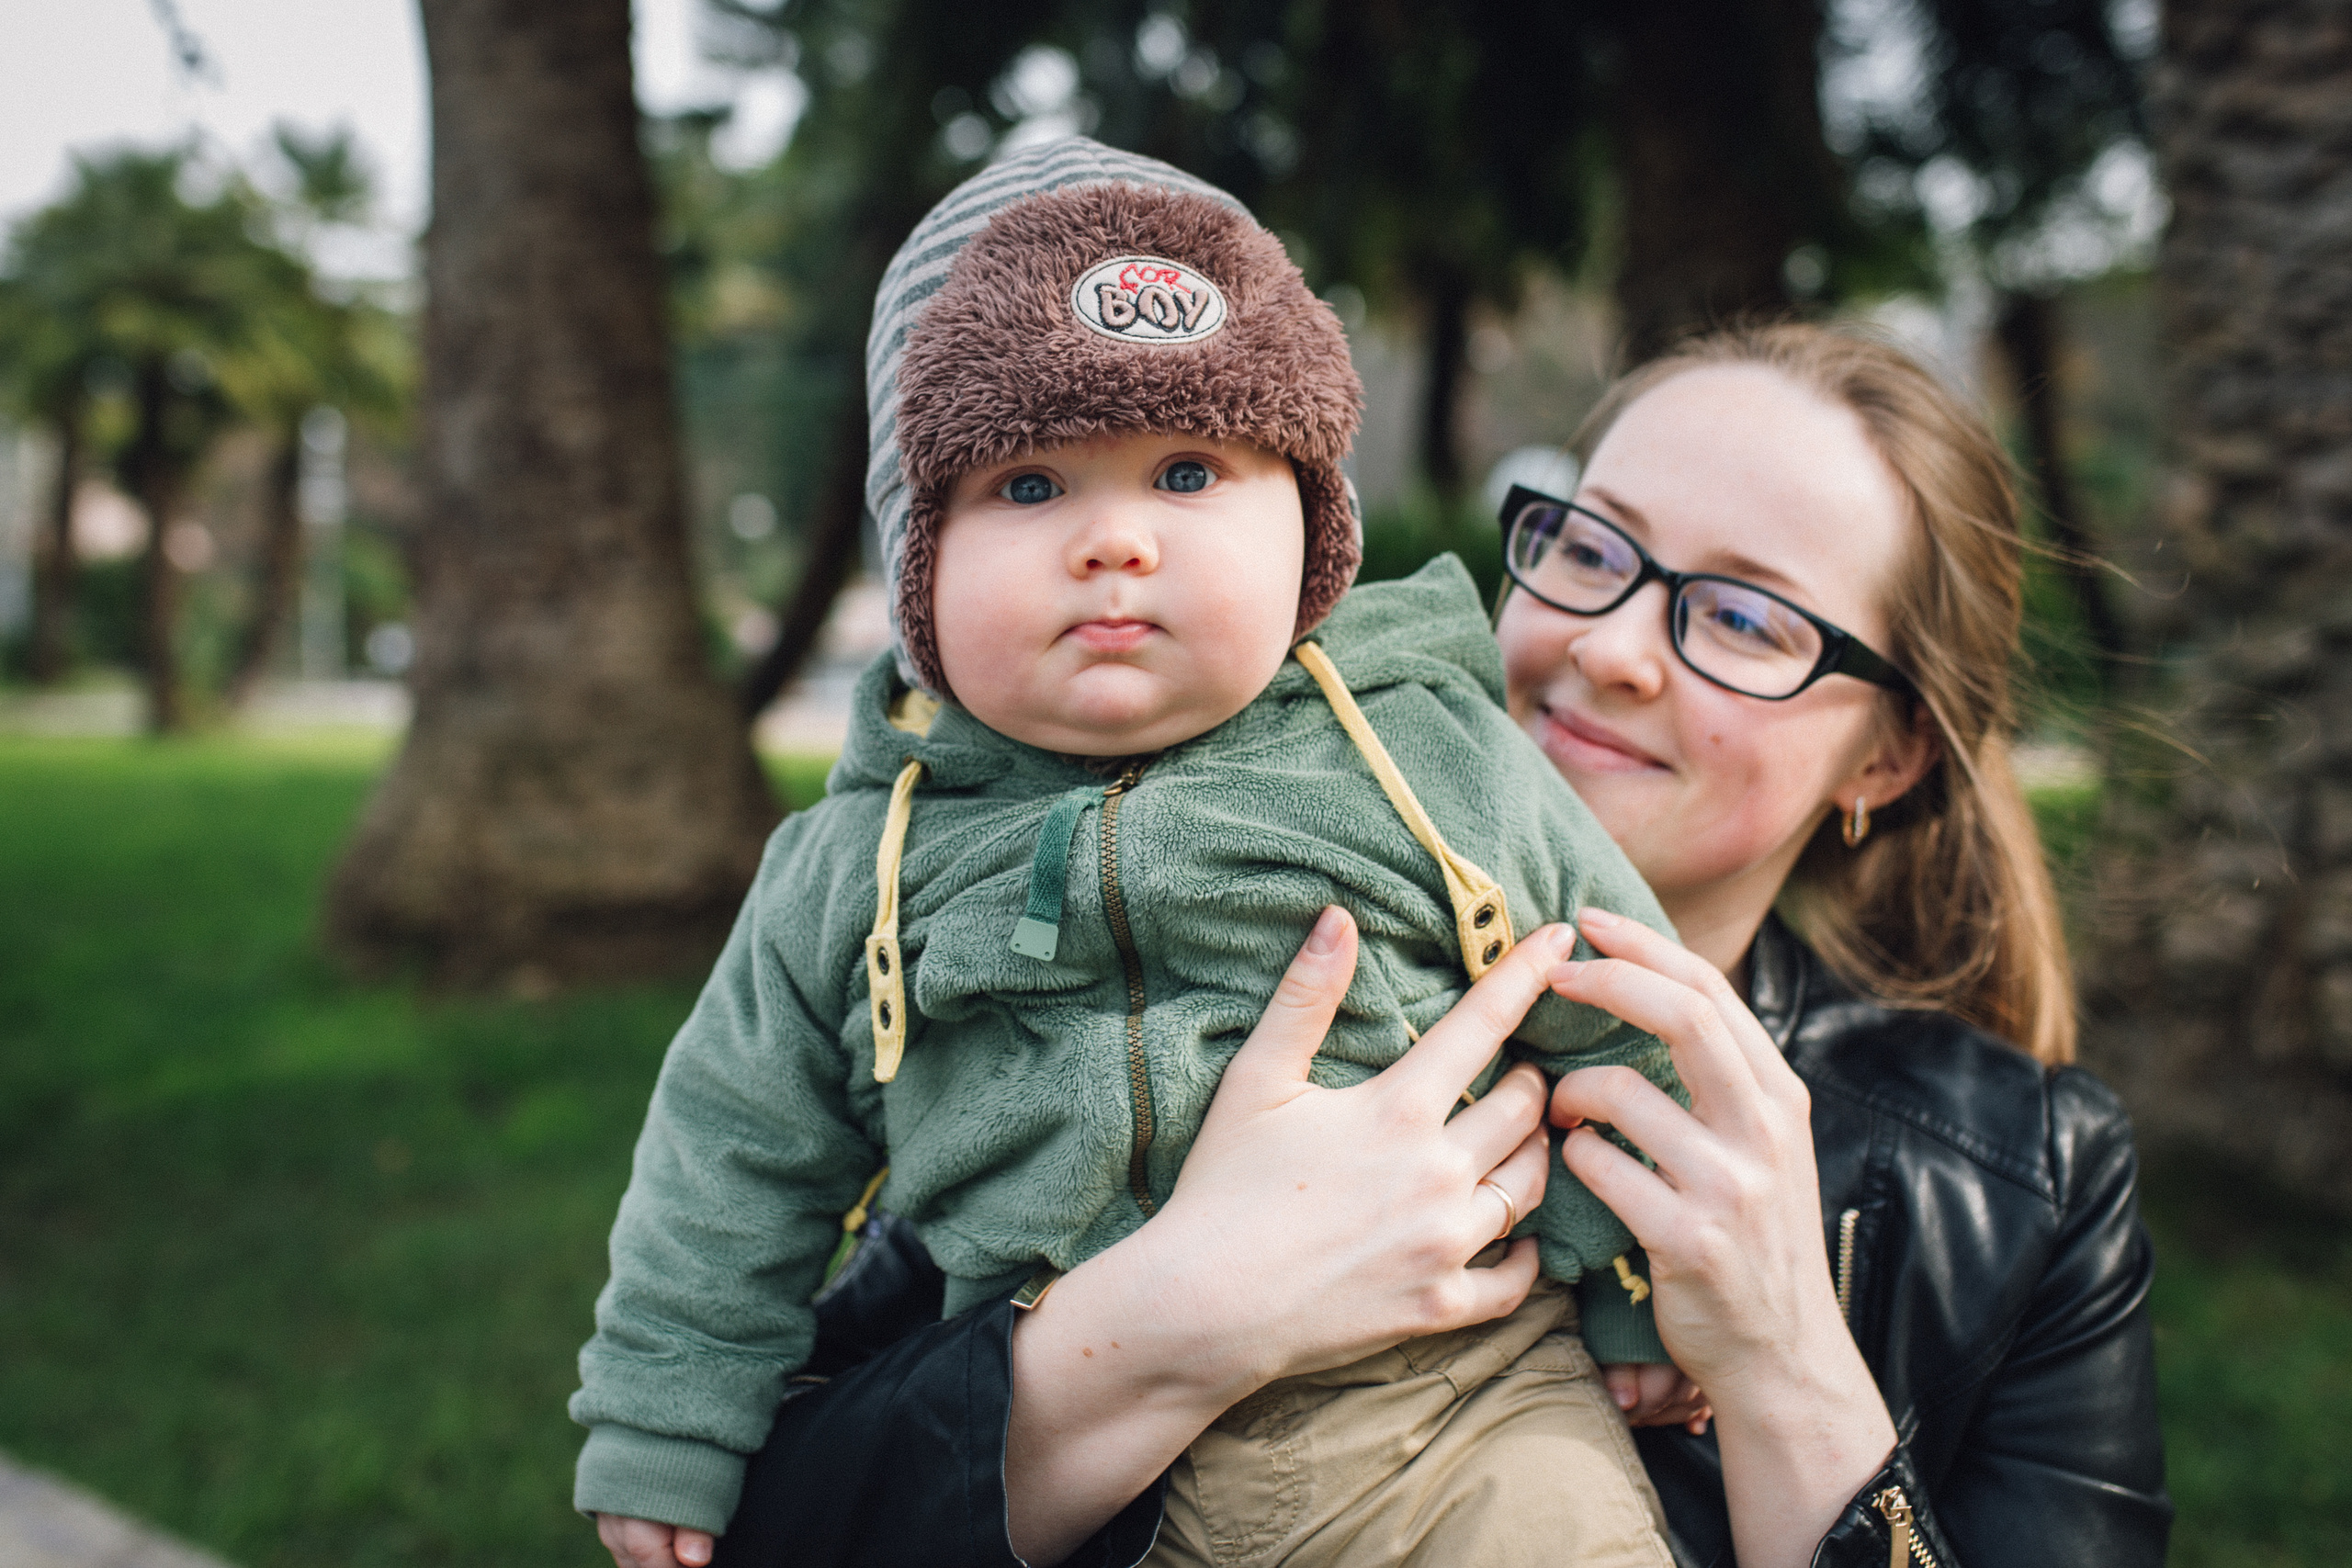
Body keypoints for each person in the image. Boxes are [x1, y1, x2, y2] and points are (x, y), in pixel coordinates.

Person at [708, 322, 2172, 1568]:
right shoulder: (1152, 976)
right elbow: (763, 1514)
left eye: (1742, 615)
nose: (1608, 644)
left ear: (1889, 757)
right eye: (1592, 548)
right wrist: (1162, 1326)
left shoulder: (2026, 1186)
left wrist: (1795, 1372)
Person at [572, 138, 1702, 1568]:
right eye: (1028, 487)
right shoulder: (856, 857)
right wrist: (670, 1415)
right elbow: (732, 1148)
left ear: (1311, 520)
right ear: (915, 562)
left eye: (1186, 470)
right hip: (1089, 1459)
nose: (1116, 543)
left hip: (1463, 1416)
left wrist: (1641, 1284)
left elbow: (1614, 1006)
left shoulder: (1431, 757)